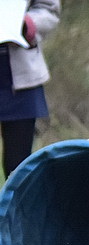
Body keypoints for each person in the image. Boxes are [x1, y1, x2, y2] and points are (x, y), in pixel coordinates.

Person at [1, 0, 60, 178]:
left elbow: (49, 9)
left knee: (18, 164)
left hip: (20, 74)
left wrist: (27, 23)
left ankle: (17, 197)